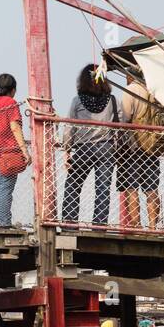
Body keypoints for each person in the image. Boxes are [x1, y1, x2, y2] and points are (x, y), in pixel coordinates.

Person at [61, 63, 118, 226]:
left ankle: (69, 223)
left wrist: (67, 150)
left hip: (82, 148)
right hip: (106, 148)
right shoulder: (111, 100)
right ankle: (99, 225)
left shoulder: (77, 100)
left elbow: (69, 127)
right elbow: (121, 121)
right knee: (103, 189)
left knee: (73, 185)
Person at [116, 72, 164, 229]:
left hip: (134, 147)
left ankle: (136, 225)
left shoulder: (130, 90)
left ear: (130, 76)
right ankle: (153, 226)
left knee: (132, 187)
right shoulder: (156, 91)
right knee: (151, 188)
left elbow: (124, 118)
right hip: (153, 147)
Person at [0, 73, 30, 228]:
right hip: (7, 152)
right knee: (5, 187)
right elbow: (14, 127)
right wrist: (25, 151)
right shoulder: (11, 102)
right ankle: (3, 223)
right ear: (13, 89)